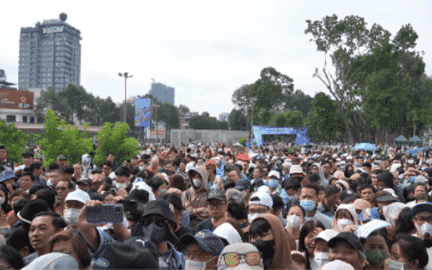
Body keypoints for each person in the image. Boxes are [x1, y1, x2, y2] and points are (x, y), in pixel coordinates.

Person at [182, 166, 210, 232]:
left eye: (199, 177)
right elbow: (185, 212)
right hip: (190, 227)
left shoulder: (210, 194)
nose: (196, 179)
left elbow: (209, 213)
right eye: (194, 177)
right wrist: (198, 210)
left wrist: (192, 210)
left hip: (206, 227)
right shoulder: (187, 193)